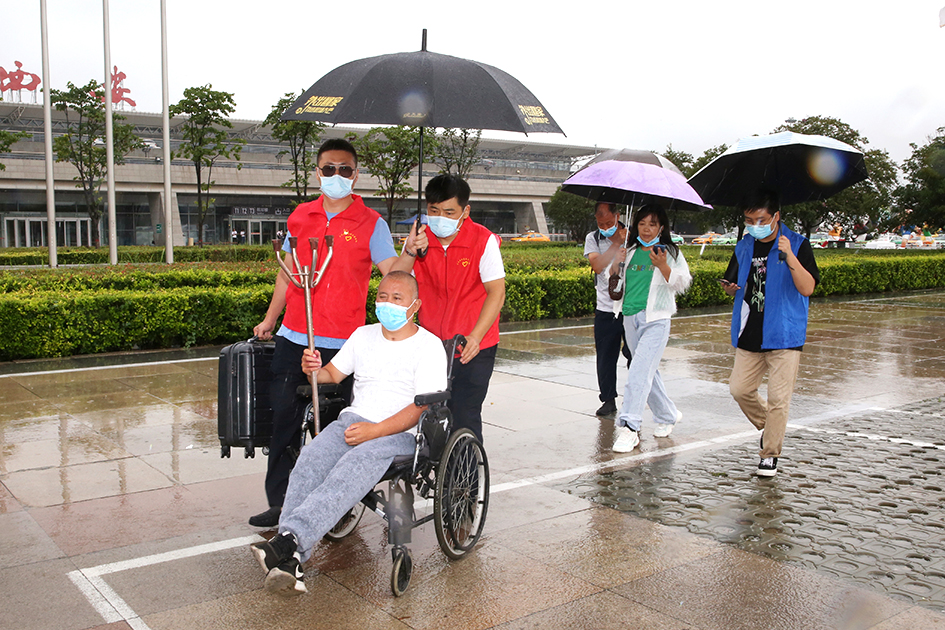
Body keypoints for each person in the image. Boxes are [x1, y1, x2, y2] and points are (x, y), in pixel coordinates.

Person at [248, 138, 417, 528]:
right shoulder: (301, 217)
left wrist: (409, 252)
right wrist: (271, 319)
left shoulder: (371, 224)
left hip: (345, 343)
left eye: (344, 169)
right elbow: (287, 271)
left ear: (355, 175)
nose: (336, 176)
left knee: (342, 430)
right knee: (285, 421)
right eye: (328, 169)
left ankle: (336, 505)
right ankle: (283, 504)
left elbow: (392, 272)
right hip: (295, 335)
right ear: (318, 173)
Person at [250, 271, 447, 596]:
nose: (387, 304)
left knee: (347, 472)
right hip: (353, 423)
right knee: (309, 463)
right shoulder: (363, 336)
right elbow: (332, 373)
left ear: (415, 305)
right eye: (382, 297)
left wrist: (375, 430)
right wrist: (313, 367)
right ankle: (293, 558)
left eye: (397, 299)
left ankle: (289, 541)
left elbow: (420, 408)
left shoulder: (428, 346)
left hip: (399, 432)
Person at [720, 189, 819, 477]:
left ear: (776, 216)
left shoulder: (798, 244)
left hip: (784, 334)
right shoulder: (743, 246)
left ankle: (770, 454)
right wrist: (729, 288)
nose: (754, 224)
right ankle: (771, 425)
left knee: (779, 399)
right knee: (739, 389)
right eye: (749, 219)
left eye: (760, 219)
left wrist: (789, 256)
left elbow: (808, 288)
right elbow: (734, 280)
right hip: (750, 331)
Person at [401, 174, 505, 442]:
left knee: (465, 414)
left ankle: (466, 479)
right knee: (428, 412)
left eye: (449, 212)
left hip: (472, 344)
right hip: (432, 343)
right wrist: (411, 251)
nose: (440, 218)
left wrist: (476, 337)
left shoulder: (483, 241)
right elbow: (395, 283)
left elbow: (496, 292)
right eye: (434, 211)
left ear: (465, 211)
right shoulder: (420, 239)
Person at [610, 204, 691, 452]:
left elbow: (683, 283)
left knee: (639, 370)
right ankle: (667, 414)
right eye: (642, 223)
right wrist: (616, 263)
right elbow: (611, 281)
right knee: (647, 371)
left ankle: (630, 427)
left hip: (656, 318)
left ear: (662, 227)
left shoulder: (669, 252)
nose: (646, 229)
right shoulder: (631, 250)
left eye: (652, 224)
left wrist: (663, 266)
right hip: (629, 317)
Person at [584, 202, 630, 417]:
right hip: (605, 307)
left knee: (633, 353)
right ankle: (608, 399)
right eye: (601, 223)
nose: (605, 227)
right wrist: (615, 244)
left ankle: (634, 397)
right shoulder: (593, 238)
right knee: (605, 356)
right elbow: (597, 265)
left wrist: (625, 240)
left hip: (630, 306)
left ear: (618, 215)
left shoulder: (633, 234)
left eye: (609, 222)